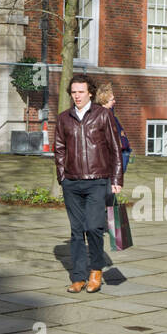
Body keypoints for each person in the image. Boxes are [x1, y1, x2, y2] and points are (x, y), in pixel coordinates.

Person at [54, 73, 124, 294]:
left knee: (93, 228)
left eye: (81, 92)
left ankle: (95, 270)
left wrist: (116, 179)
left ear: (90, 93)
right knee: (76, 231)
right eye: (74, 92)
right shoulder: (64, 118)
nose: (77, 96)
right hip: (72, 183)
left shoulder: (103, 115)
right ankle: (78, 276)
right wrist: (62, 177)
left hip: (97, 180)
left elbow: (115, 148)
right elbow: (59, 148)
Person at [101, 93, 132, 179]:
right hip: (115, 153)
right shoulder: (103, 116)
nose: (114, 101)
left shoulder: (111, 114)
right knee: (112, 180)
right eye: (112, 100)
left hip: (123, 151)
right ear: (105, 101)